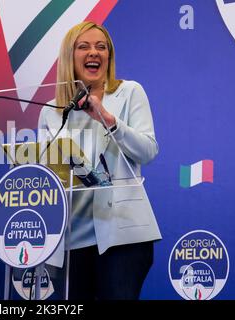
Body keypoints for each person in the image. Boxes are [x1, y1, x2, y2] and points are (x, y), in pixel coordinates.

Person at [37, 21, 162, 300]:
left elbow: (148, 150)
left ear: (109, 56)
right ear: (70, 56)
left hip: (122, 236)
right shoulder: (51, 111)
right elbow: (48, 172)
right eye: (84, 47)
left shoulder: (128, 92)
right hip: (69, 239)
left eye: (101, 47)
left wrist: (107, 119)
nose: (94, 52)